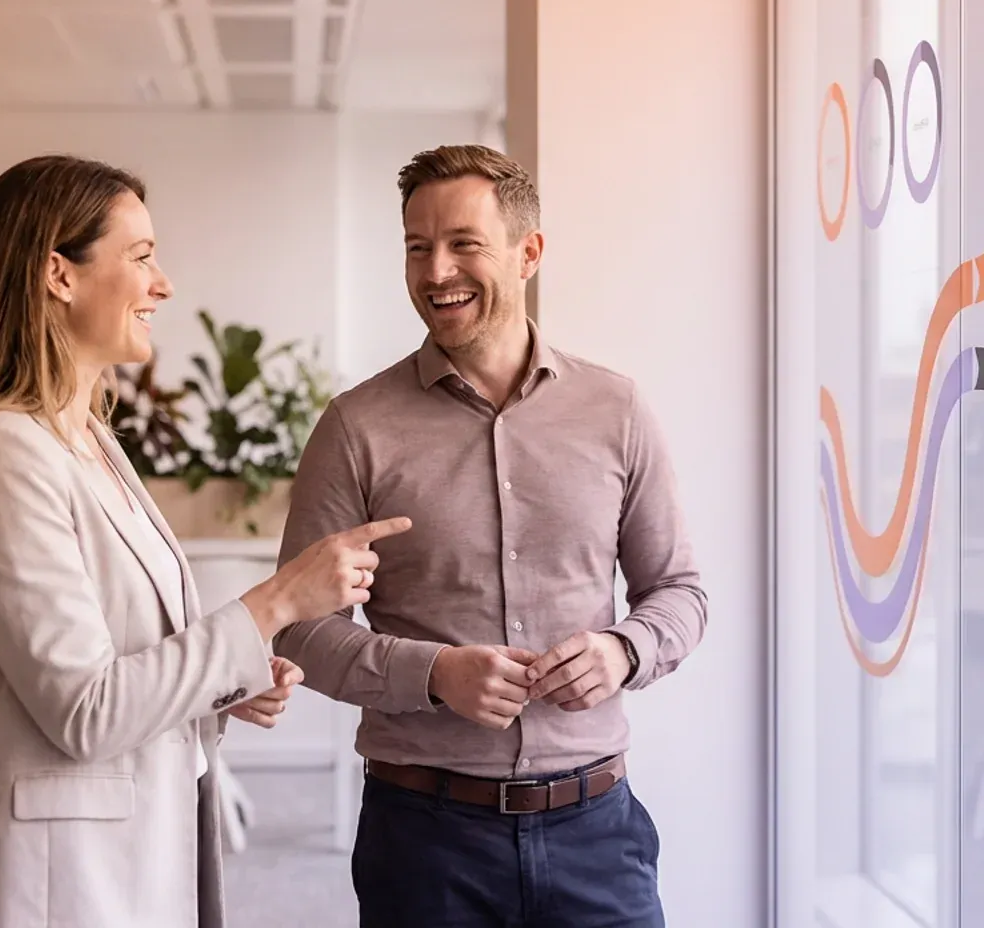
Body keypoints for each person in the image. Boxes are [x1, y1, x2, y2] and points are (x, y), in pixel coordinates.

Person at [0, 154, 411, 928]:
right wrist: (275, 603)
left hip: (133, 850)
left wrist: (228, 683)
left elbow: (124, 662)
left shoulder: (91, 441)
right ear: (58, 275)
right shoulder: (3, 452)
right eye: (140, 258)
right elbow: (85, 710)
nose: (162, 284)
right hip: (61, 882)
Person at [273, 144, 707, 927]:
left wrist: (622, 650)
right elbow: (301, 629)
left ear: (528, 252)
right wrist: (432, 673)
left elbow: (678, 592)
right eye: (417, 247)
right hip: (423, 840)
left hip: (597, 833)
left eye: (463, 244)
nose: (436, 270)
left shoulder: (617, 410)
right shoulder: (355, 428)